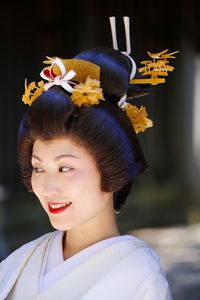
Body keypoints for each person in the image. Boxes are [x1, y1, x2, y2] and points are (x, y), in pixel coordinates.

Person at [0, 17, 174, 300]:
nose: (47, 187)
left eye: (65, 167)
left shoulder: (138, 277)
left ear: (111, 167)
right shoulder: (20, 263)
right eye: (37, 168)